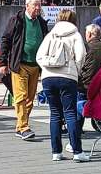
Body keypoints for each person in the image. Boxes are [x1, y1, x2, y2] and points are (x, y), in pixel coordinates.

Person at [37, 9, 88, 162]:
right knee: (70, 113)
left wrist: (47, 68)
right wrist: (75, 71)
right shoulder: (75, 35)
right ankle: (77, 152)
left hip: (48, 77)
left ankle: (56, 152)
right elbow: (81, 56)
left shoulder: (50, 35)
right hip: (67, 77)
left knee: (55, 114)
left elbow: (39, 56)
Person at [0, 0, 48, 140]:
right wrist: (3, 62)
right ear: (27, 5)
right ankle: (24, 127)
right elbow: (6, 39)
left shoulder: (42, 22)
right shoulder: (17, 20)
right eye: (35, 5)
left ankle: (20, 126)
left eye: (39, 5)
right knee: (21, 97)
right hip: (20, 64)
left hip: (35, 65)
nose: (38, 8)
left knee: (30, 99)